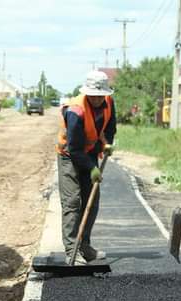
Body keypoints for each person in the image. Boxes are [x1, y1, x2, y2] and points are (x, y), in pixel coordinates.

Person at [56, 71, 116, 264]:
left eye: (100, 96)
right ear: (87, 93)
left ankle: (85, 247)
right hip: (69, 156)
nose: (98, 100)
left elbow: (110, 127)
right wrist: (92, 168)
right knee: (72, 202)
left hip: (89, 153)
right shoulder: (75, 110)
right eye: (93, 96)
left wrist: (107, 144)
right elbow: (74, 149)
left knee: (92, 200)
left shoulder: (109, 102)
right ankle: (71, 251)